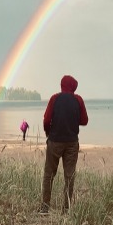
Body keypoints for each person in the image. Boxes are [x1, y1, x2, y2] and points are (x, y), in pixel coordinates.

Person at [41, 75, 88, 213]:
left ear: (62, 85)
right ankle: (66, 209)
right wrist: (72, 119)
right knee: (69, 176)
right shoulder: (78, 100)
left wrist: (48, 133)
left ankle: (45, 207)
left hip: (54, 141)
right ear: (73, 87)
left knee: (49, 174)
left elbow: (46, 120)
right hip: (72, 143)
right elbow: (84, 121)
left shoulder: (54, 98)